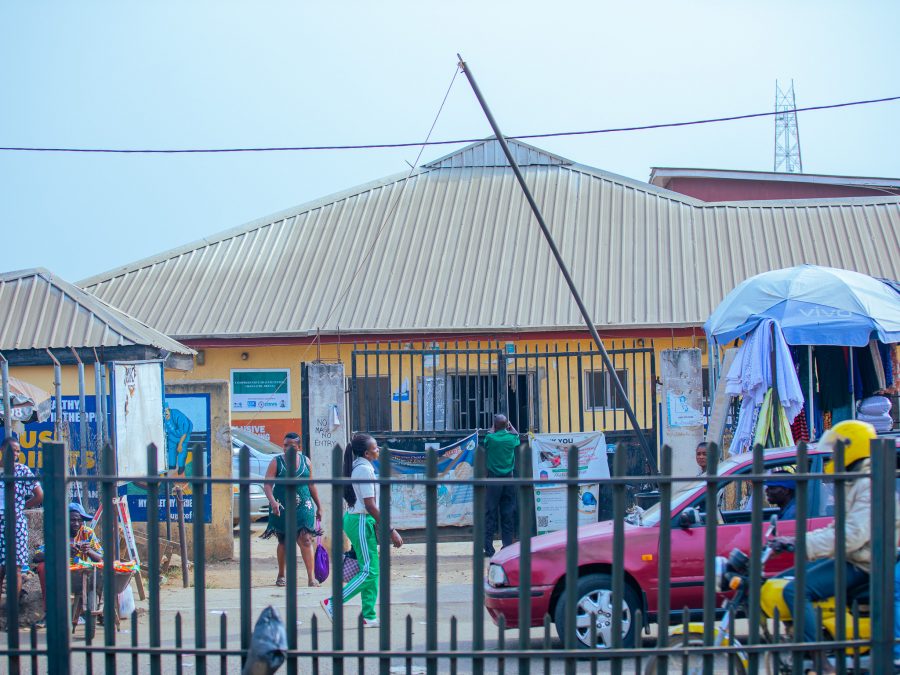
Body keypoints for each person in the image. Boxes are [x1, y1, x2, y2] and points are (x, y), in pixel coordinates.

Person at [772, 420, 890, 673]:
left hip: (864, 562)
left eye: (837, 450)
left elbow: (853, 535)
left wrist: (803, 543)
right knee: (781, 579)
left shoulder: (868, 483)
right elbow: (838, 527)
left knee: (795, 590)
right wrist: (798, 541)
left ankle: (819, 660)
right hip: (853, 557)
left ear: (852, 447)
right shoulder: (854, 481)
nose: (833, 457)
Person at [320, 433, 402, 627]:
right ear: (366, 453)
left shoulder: (360, 466)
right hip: (361, 521)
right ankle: (332, 603)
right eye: (375, 448)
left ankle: (369, 616)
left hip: (359, 520)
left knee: (372, 569)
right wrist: (391, 530)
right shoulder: (364, 470)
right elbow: (370, 505)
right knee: (369, 571)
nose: (378, 450)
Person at [262, 432, 323, 587]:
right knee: (284, 541)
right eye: (285, 445)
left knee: (306, 539)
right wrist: (273, 502)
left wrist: (319, 506)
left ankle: (311, 578)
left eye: (292, 446)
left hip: (304, 505)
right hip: (281, 505)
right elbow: (267, 485)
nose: (288, 448)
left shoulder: (306, 461)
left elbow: (311, 485)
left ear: (299, 447)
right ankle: (281, 574)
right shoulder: (276, 462)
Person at [33, 502, 103, 628]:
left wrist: (89, 551)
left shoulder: (87, 532)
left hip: (84, 573)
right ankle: (49, 613)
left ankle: (101, 612)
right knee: (43, 567)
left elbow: (102, 558)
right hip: (61, 574)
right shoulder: (57, 533)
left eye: (79, 520)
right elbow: (37, 557)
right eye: (72, 520)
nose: (76, 524)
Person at [0, 434, 43, 600]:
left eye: (18, 451)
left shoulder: (22, 471)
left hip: (16, 523)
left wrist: (21, 507)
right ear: (2, 450)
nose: (16, 454)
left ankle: (14, 607)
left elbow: (39, 495)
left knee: (16, 568)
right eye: (13, 450)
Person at [484, 414, 519, 558]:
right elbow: (516, 435)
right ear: (507, 425)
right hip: (509, 479)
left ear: (495, 425)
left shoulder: (490, 438)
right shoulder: (512, 438)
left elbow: (487, 437)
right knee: (508, 512)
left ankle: (488, 548)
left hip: (494, 479)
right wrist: (509, 426)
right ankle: (507, 546)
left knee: (490, 513)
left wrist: (494, 428)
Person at [163, 401, 193, 476]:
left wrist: (180, 444)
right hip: (173, 434)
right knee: (172, 449)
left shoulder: (178, 416)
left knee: (181, 450)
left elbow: (184, 432)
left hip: (184, 433)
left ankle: (181, 467)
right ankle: (172, 466)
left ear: (168, 409)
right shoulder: (163, 417)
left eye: (166, 411)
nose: (165, 414)